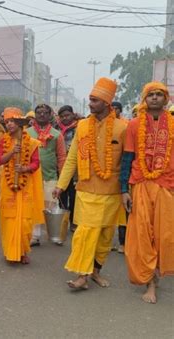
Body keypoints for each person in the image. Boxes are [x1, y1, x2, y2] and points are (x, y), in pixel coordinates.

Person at [53, 77, 126, 290]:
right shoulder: (83, 126)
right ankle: (82, 275)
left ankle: (95, 271)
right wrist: (61, 184)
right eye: (90, 100)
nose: (90, 104)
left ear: (106, 102)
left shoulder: (122, 128)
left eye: (94, 100)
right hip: (85, 188)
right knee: (85, 233)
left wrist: (127, 190)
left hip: (111, 192)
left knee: (105, 236)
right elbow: (73, 158)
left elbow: (128, 162)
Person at [121, 82, 174, 304]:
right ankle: (149, 283)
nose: (154, 98)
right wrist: (123, 190)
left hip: (166, 186)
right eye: (150, 95)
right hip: (140, 184)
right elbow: (127, 159)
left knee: (164, 235)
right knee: (142, 235)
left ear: (166, 98)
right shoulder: (133, 125)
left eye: (158, 95)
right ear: (144, 99)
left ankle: (157, 273)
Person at [0, 107, 44, 264]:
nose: (9, 124)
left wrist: (25, 168)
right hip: (8, 184)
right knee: (9, 218)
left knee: (25, 221)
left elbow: (36, 163)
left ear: (19, 123)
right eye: (7, 121)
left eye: (12, 121)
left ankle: (23, 251)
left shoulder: (31, 142)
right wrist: (11, 152)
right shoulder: (3, 140)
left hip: (25, 184)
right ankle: (10, 251)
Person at [27, 104, 66, 246]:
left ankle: (55, 233)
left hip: (50, 176)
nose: (42, 115)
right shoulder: (27, 132)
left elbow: (62, 157)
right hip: (31, 175)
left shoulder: (57, 134)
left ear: (50, 115)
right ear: (35, 115)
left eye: (45, 113)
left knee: (50, 205)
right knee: (33, 205)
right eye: (39, 112)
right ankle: (35, 236)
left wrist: (62, 179)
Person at [56, 105, 78, 232]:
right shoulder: (56, 128)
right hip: (60, 167)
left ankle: (73, 222)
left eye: (67, 115)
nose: (65, 118)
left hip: (75, 169)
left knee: (74, 196)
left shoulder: (79, 128)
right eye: (62, 116)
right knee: (62, 196)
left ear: (73, 115)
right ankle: (62, 221)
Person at [112, 101, 129, 253]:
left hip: (124, 176)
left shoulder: (125, 126)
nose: (113, 110)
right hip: (110, 178)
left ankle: (124, 243)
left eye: (116, 108)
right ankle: (115, 242)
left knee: (125, 213)